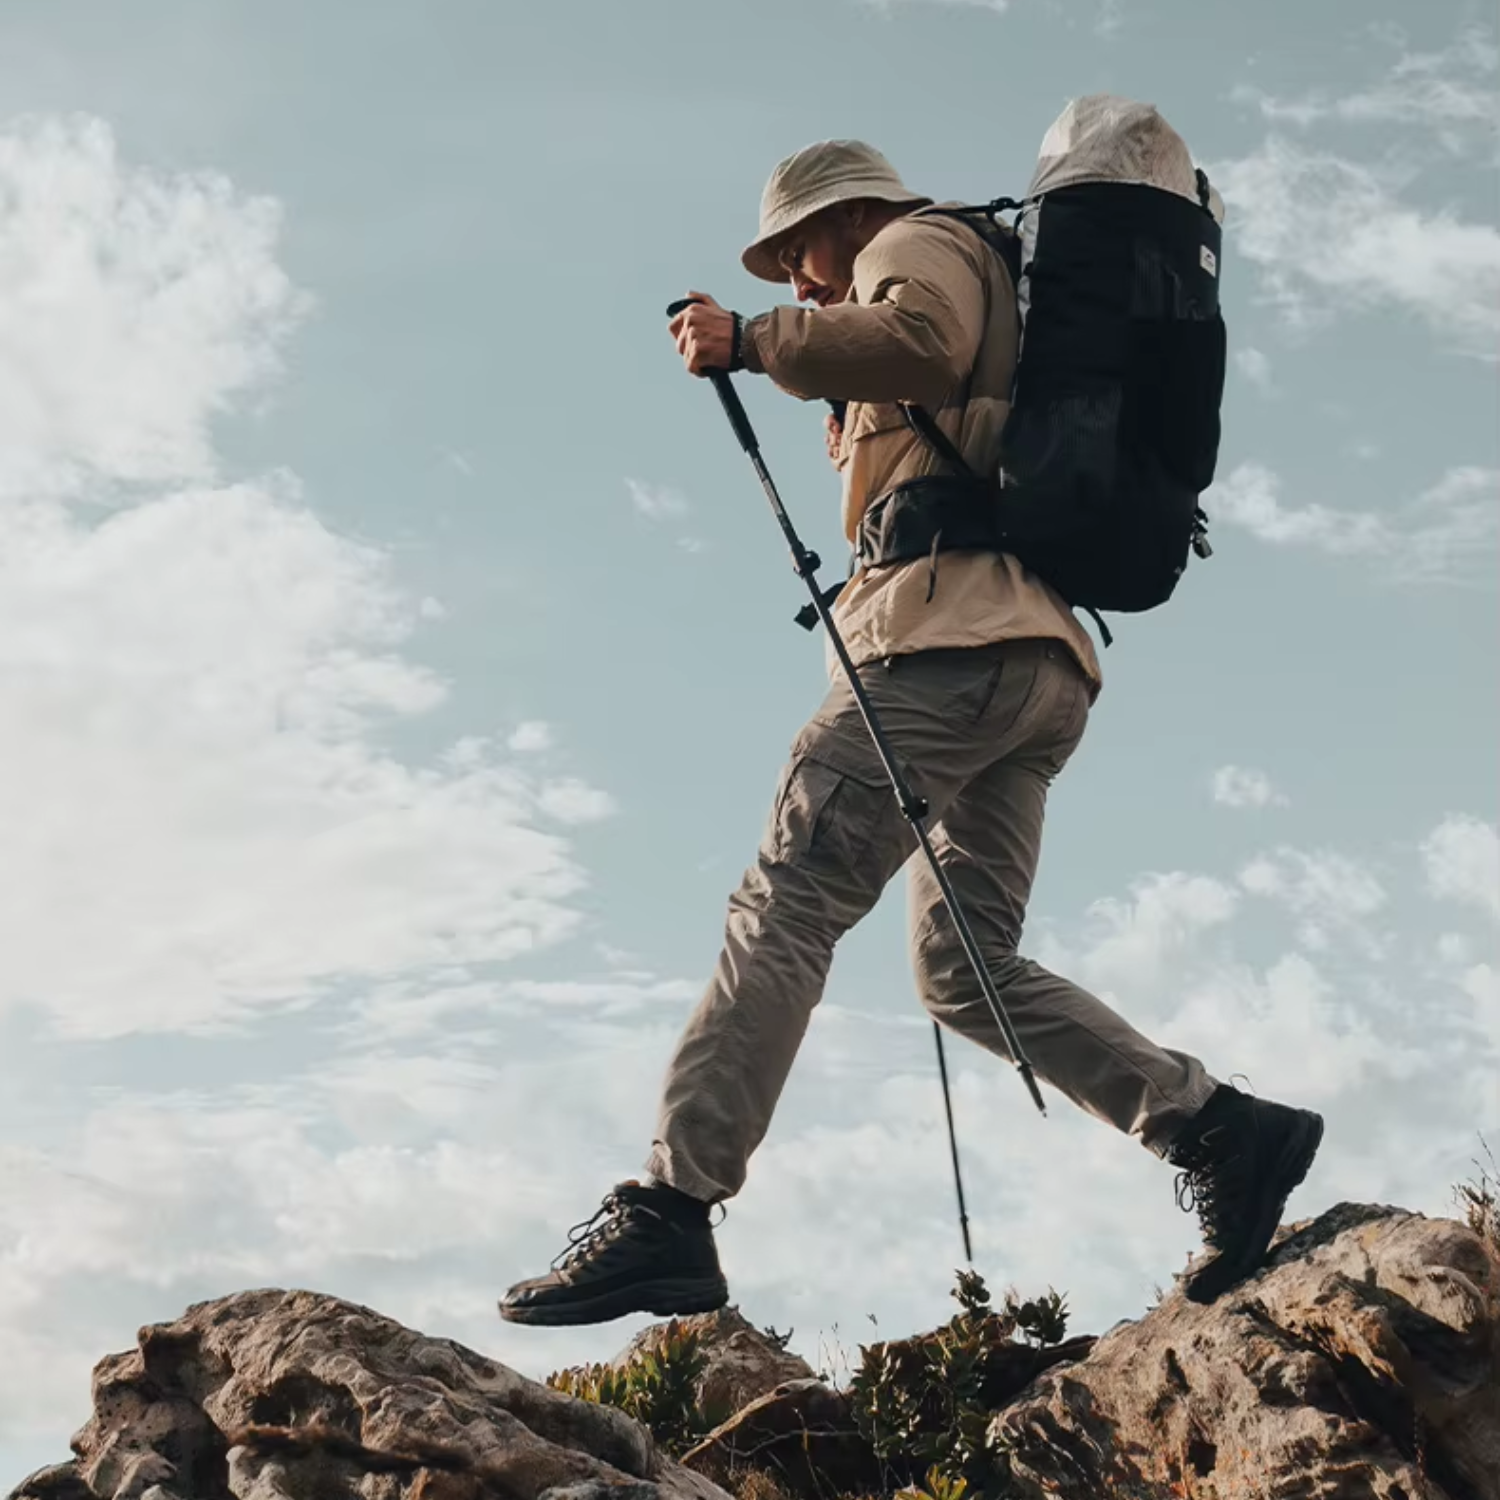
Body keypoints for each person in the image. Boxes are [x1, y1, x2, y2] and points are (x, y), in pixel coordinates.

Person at [499, 140, 1323, 1327]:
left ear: (848, 215)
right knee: (965, 969)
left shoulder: (913, 242)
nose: (798, 279)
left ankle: (671, 1208)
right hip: (1033, 664)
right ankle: (1219, 1130)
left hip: (942, 646)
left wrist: (754, 340)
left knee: (788, 899)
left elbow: (921, 341)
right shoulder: (982, 270)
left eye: (797, 251)